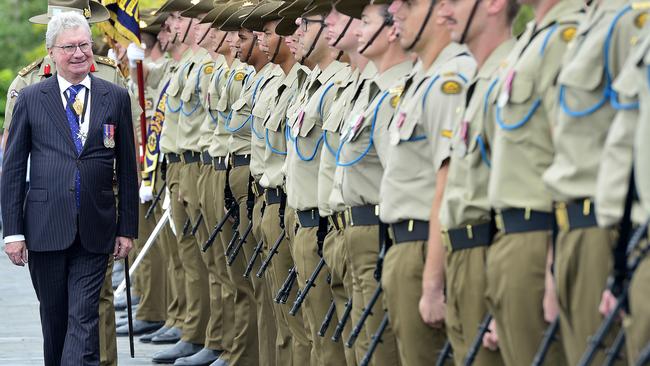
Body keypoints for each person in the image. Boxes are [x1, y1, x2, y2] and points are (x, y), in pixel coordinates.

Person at [1, 11, 138, 366]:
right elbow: (13, 169)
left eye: (84, 45)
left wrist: (128, 227)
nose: (79, 53)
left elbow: (126, 167)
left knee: (84, 318)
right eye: (69, 47)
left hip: (96, 226)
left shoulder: (114, 96)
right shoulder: (32, 97)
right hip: (45, 226)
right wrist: (12, 232)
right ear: (51, 53)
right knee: (55, 320)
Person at [434, 0, 517, 364]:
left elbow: (522, 189)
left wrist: (507, 288)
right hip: (462, 253)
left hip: (490, 253)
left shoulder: (508, 73)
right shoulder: (478, 80)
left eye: (454, 1)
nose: (444, 11)